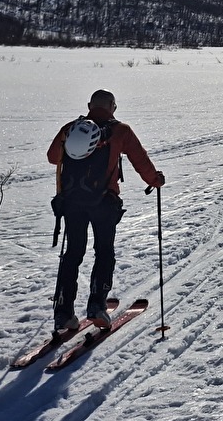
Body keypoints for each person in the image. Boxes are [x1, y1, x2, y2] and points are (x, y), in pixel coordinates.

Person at [48, 89, 164, 332]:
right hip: (104, 203)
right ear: (113, 107)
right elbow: (139, 159)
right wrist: (154, 180)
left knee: (72, 254)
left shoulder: (71, 128)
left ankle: (63, 313)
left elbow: (52, 157)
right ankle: (97, 307)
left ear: (90, 105)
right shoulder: (120, 130)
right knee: (104, 252)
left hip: (72, 203)